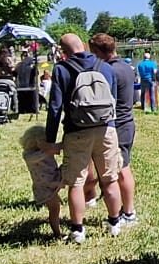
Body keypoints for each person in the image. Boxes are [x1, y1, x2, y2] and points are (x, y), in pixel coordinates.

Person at [45, 31, 123, 245]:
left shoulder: (61, 69)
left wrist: (50, 140)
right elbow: (113, 100)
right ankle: (114, 223)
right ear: (84, 46)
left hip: (76, 130)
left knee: (76, 183)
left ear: (63, 51)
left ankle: (78, 230)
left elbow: (55, 107)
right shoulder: (105, 67)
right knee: (110, 178)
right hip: (106, 129)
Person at [91, 34, 138, 230]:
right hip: (128, 121)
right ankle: (125, 210)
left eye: (94, 53)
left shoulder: (109, 70)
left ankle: (129, 213)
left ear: (100, 52)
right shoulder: (126, 67)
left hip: (118, 125)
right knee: (122, 166)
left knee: (122, 168)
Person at [19, 123, 66, 238]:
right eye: (45, 141)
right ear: (37, 142)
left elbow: (55, 148)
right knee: (54, 209)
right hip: (44, 187)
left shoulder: (43, 151)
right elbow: (45, 154)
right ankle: (57, 233)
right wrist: (52, 149)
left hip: (53, 177)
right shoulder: (29, 156)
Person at [14, 46, 40, 118]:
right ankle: (29, 109)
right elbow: (36, 73)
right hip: (26, 86)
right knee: (27, 98)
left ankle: (25, 109)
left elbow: (14, 73)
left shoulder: (21, 66)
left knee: (25, 99)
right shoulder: (23, 66)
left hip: (25, 86)